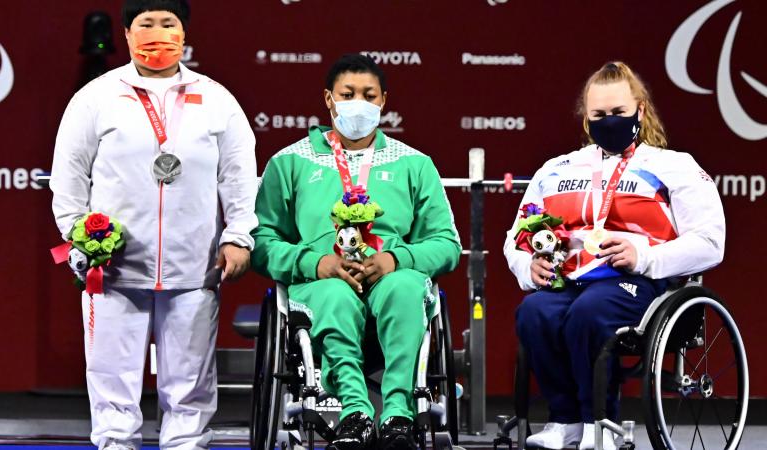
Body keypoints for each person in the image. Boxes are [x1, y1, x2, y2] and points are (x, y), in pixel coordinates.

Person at [49, 1, 258, 448]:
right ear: (126, 33)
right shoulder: (96, 97)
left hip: (193, 266)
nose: (157, 33)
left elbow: (238, 176)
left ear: (185, 33)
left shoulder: (217, 100)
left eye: (168, 23)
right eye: (146, 24)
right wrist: (77, 238)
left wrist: (238, 236)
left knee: (189, 387)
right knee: (112, 382)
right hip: (115, 267)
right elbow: (68, 174)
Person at [503, 62, 725, 450]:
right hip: (569, 281)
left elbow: (710, 242)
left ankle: (599, 422)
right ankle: (566, 421)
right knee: (535, 311)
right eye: (599, 115)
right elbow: (514, 237)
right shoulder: (556, 169)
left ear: (639, 110)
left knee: (590, 311)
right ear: (586, 119)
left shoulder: (673, 166)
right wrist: (528, 264)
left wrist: (643, 255)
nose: (610, 122)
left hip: (642, 284)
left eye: (619, 113)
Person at [251, 54, 461, 450]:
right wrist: (317, 263)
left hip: (390, 278)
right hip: (322, 285)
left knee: (403, 288)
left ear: (384, 101)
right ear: (329, 99)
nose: (358, 103)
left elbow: (446, 245)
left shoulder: (414, 164)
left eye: (369, 95)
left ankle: (398, 414)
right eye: (348, 94)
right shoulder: (289, 162)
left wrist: (395, 260)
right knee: (334, 294)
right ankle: (355, 413)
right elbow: (262, 243)